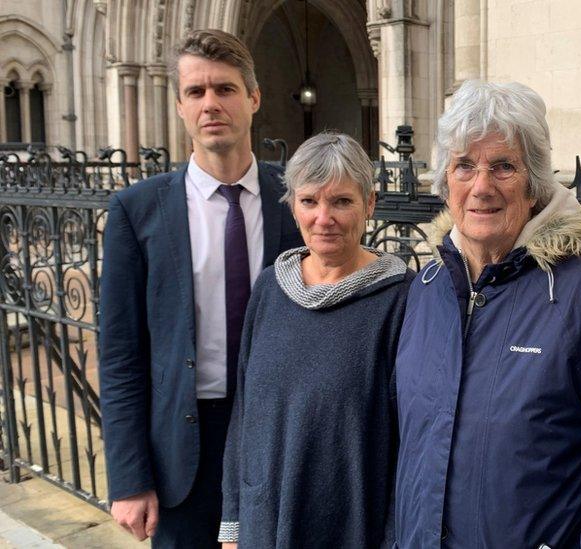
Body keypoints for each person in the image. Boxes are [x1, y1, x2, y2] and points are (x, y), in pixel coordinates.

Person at [394, 80, 581, 548]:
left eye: (503, 166)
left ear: (534, 186)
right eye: (464, 165)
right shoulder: (426, 290)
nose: (481, 186)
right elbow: (407, 447)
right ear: (446, 183)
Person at [98, 29, 303, 547]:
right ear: (180, 107)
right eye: (196, 92)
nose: (211, 104)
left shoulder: (299, 201)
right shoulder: (136, 211)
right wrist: (128, 477)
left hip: (278, 434)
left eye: (226, 89)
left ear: (254, 98)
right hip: (183, 451)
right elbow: (120, 353)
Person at [217, 132, 412, 548]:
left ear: (370, 204)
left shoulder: (401, 301)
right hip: (264, 524)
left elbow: (413, 441)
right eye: (309, 201)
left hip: (352, 529)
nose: (324, 218)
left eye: (341, 201)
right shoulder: (270, 288)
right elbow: (244, 413)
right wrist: (233, 524)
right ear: (293, 206)